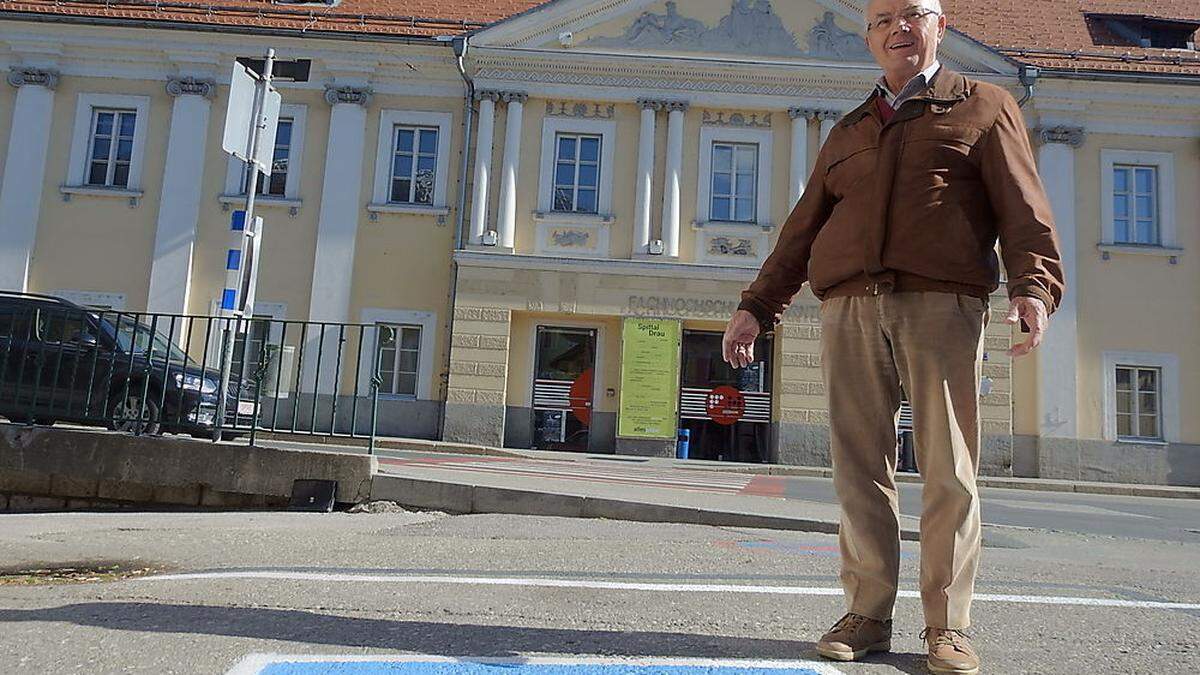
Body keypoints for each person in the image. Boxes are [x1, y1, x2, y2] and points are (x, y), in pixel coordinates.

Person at [721, 1, 1065, 673]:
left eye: (915, 14)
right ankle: (867, 613)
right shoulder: (849, 128)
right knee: (859, 469)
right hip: (849, 307)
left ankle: (948, 625)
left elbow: (1024, 208)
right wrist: (756, 306)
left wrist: (1033, 286)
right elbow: (802, 230)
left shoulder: (983, 104)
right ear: (870, 37)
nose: (899, 27)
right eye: (884, 19)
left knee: (949, 470)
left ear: (941, 25)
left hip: (942, 303)